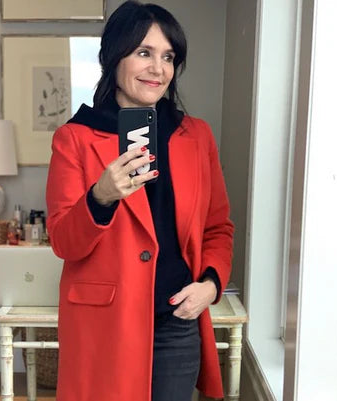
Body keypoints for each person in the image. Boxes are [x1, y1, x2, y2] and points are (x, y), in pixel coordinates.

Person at [46, 2, 234, 401]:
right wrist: (100, 197)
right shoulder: (75, 138)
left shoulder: (195, 136)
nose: (158, 69)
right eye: (144, 53)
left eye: (168, 57)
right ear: (114, 57)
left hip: (177, 319)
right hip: (105, 324)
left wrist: (210, 285)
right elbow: (64, 242)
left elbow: (217, 227)